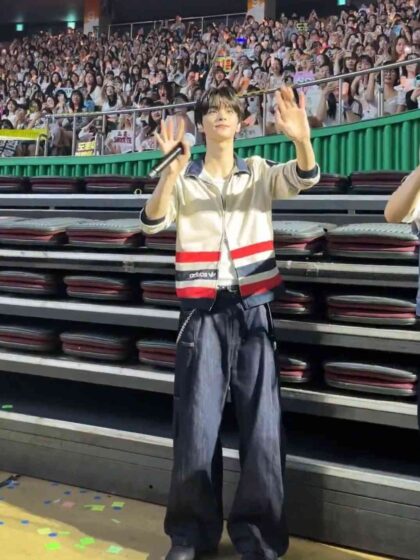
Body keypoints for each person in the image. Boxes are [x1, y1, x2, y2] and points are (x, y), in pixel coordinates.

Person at [140, 85, 320, 560]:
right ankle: (190, 536)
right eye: (213, 111)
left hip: (253, 308)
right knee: (196, 428)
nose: (221, 116)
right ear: (201, 123)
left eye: (229, 110)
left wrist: (302, 140)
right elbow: (152, 221)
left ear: (241, 122)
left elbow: (304, 177)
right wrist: (169, 176)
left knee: (263, 429)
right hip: (201, 313)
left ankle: (259, 538)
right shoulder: (184, 176)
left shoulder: (257, 170)